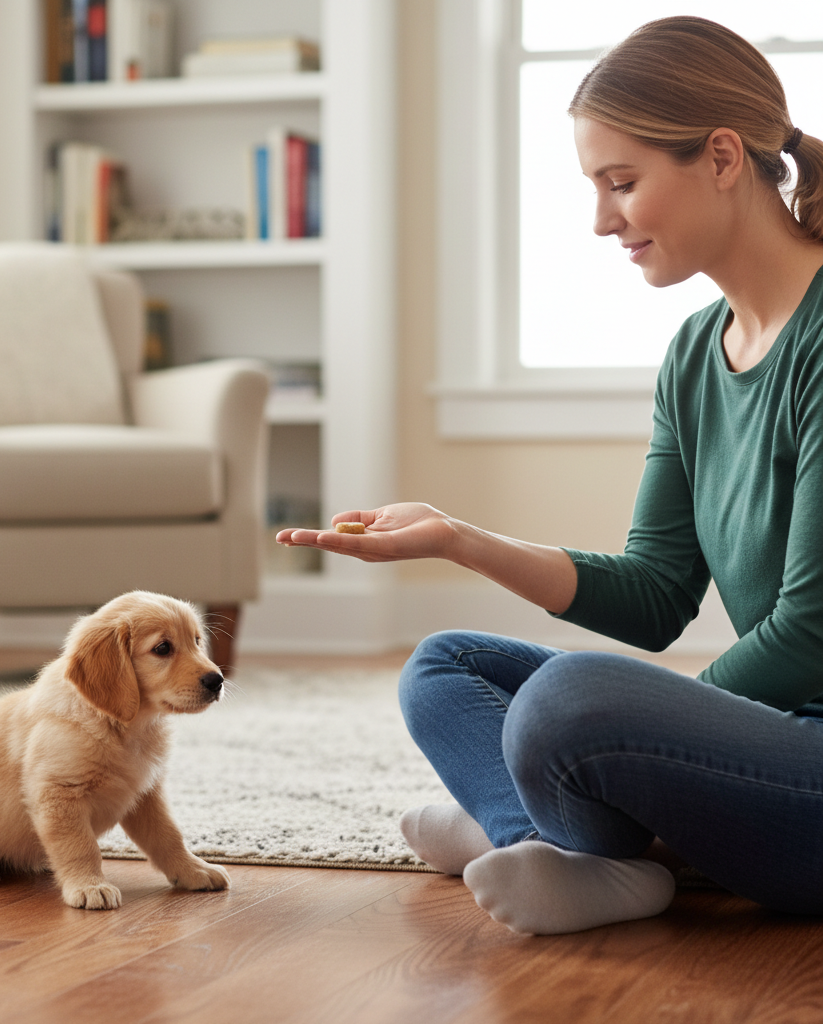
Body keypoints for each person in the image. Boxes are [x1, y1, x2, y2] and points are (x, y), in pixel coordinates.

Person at [276, 16, 823, 936]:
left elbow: (809, 633)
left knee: (567, 706)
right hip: (760, 741)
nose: (603, 220)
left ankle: (559, 834)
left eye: (622, 183)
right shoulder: (695, 353)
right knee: (446, 666)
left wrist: (643, 720)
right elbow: (655, 594)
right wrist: (457, 538)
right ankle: (567, 843)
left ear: (722, 157)